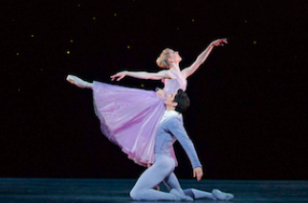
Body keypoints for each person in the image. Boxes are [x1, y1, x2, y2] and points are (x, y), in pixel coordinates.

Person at [66, 39, 227, 166]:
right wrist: (128, 72)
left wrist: (211, 45)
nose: (178, 52)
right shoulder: (168, 73)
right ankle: (89, 85)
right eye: (174, 52)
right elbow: (148, 75)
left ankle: (155, 177)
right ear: (171, 59)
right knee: (155, 140)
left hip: (172, 110)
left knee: (161, 143)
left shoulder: (182, 74)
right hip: (162, 108)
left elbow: (199, 61)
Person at [129, 89, 234, 201]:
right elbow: (157, 94)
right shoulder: (166, 114)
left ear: (174, 103)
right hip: (164, 161)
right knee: (180, 191)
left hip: (163, 163)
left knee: (136, 193)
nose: (167, 95)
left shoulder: (173, 121)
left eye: (171, 96)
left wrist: (196, 165)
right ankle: (213, 195)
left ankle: (174, 198)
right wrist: (158, 91)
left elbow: (186, 142)